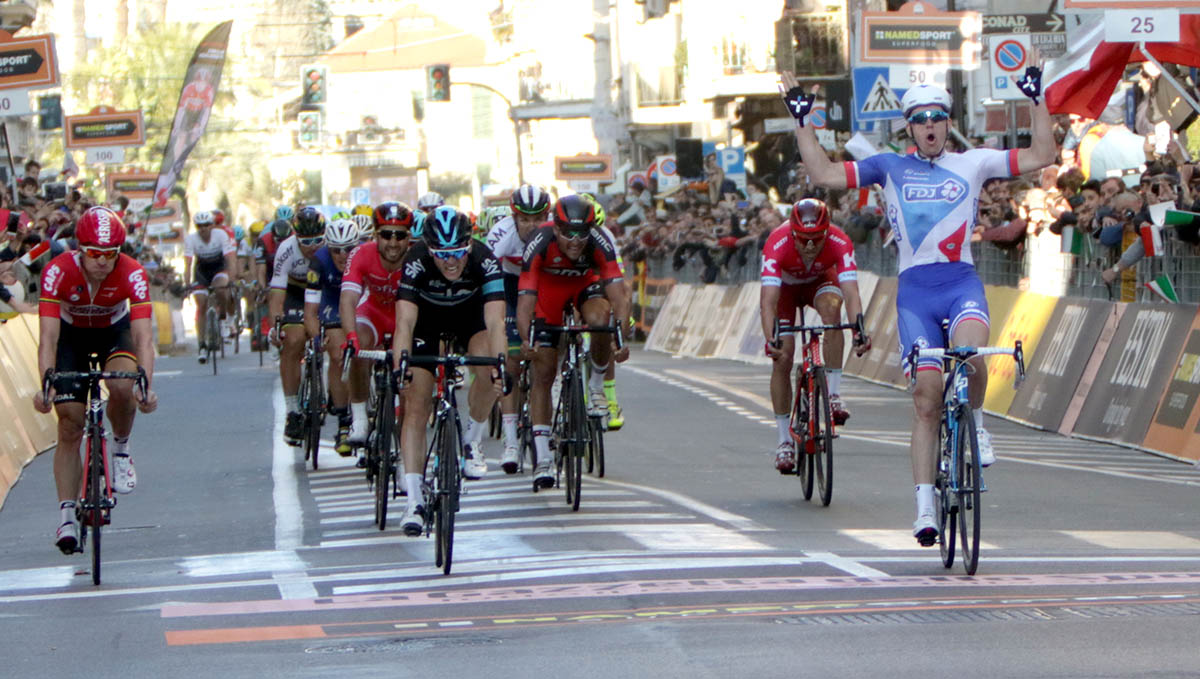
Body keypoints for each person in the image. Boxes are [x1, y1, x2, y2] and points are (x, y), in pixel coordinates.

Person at [780, 67, 1057, 546]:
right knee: (926, 398)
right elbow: (822, 173)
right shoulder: (888, 166)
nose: (930, 125)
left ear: (948, 124)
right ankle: (925, 507)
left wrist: (1037, 98)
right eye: (920, 119)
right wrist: (802, 120)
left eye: (937, 117)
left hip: (960, 281)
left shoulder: (975, 162)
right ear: (909, 127)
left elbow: (1042, 155)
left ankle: (979, 426)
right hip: (916, 292)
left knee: (971, 358)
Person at [33, 207, 158, 554]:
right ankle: (66, 515)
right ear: (80, 249)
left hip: (114, 334)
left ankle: (120, 446)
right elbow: (48, 339)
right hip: (71, 338)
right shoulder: (57, 271)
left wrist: (145, 384)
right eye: (94, 254)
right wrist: (46, 383)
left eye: (109, 254)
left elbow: (144, 338)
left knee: (122, 387)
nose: (102, 261)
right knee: (70, 424)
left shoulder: (132, 273)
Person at [392, 206, 507, 534]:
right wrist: (402, 362)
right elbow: (405, 321)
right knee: (415, 404)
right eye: (441, 254)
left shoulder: (485, 259)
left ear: (469, 245)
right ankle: (413, 500)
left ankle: (471, 439)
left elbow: (496, 321)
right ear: (428, 249)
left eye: (458, 252)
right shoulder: (415, 260)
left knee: (489, 372)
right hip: (426, 323)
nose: (451, 261)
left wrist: (500, 366)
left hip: (470, 319)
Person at [517, 194, 631, 489]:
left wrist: (621, 336)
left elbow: (619, 295)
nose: (576, 240)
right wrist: (525, 336)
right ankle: (542, 458)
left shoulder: (600, 240)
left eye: (582, 233)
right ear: (555, 228)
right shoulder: (539, 241)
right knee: (543, 372)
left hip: (585, 286)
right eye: (568, 232)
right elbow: (526, 297)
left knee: (601, 320)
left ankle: (595, 387)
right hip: (548, 293)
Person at [760, 198, 870, 474]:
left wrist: (859, 329)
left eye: (817, 239)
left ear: (827, 232)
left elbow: (852, 292)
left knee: (833, 313)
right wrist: (770, 339)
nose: (810, 247)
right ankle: (784, 440)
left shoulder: (840, 241)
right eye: (803, 239)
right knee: (782, 357)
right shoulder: (777, 242)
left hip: (821, 282)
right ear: (793, 233)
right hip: (785, 290)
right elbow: (768, 302)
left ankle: (832, 395)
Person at [485, 184, 552, 473]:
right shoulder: (501, 234)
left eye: (538, 218)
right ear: (514, 218)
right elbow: (486, 275)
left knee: (545, 358)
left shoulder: (554, 233)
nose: (532, 225)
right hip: (510, 287)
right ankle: (511, 442)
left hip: (543, 285)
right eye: (525, 219)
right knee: (511, 361)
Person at [340, 201, 415, 449]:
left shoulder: (418, 257)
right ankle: (359, 419)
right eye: (386, 234)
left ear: (409, 237)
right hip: (373, 312)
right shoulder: (360, 254)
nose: (393, 242)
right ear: (375, 235)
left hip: (406, 318)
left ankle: (405, 444)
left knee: (409, 376)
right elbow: (348, 299)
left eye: (400, 235)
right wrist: (350, 336)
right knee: (358, 346)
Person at [268, 207, 327, 445]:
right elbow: (277, 295)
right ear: (295, 237)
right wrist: (276, 327)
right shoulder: (286, 250)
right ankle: (292, 411)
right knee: (292, 340)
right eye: (306, 241)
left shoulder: (331, 246)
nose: (313, 246)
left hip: (324, 289)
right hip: (295, 292)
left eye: (317, 241)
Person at [305, 218, 358, 454]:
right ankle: (344, 423)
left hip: (359, 300)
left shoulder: (364, 257)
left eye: (348, 249)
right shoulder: (319, 261)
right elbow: (310, 312)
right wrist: (317, 336)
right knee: (339, 355)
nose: (342, 255)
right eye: (336, 249)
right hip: (331, 304)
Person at [183, 210, 237, 362]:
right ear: (196, 227)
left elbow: (231, 259)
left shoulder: (220, 235)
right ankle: (202, 344)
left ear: (212, 225)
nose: (203, 229)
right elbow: (188, 264)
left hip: (219, 268)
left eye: (206, 225)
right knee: (201, 304)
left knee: (221, 289)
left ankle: (225, 319)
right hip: (202, 272)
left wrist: (231, 279)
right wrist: (187, 284)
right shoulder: (191, 239)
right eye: (199, 226)